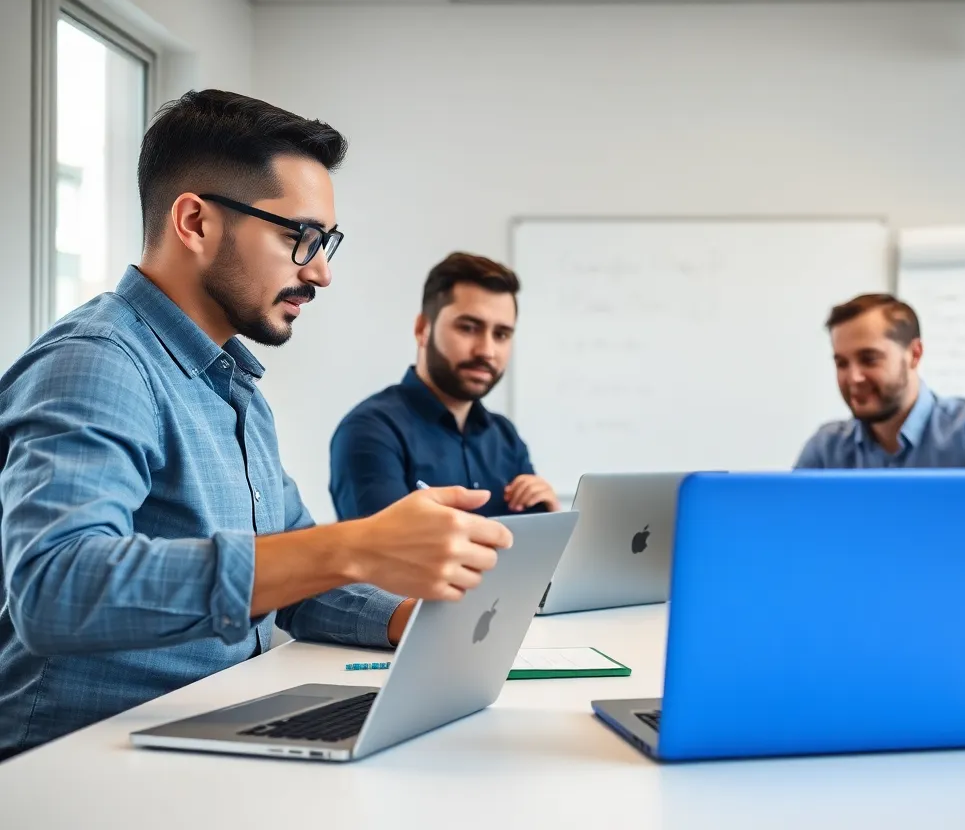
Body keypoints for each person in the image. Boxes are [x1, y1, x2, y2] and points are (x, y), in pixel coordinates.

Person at [0, 90, 511, 760]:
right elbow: (56, 588)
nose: (320, 272)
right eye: (300, 237)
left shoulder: (233, 385)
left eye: (326, 243)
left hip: (205, 732)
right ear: (196, 222)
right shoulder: (98, 363)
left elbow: (290, 567)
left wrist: (404, 618)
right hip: (77, 762)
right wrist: (351, 546)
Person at [329, 253, 558, 521]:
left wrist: (552, 518)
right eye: (469, 328)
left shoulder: (505, 437)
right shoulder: (372, 430)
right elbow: (383, 545)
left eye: (501, 334)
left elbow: (536, 544)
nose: (487, 350)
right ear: (422, 329)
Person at [794, 293, 965, 469]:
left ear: (914, 354)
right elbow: (788, 517)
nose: (854, 377)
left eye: (869, 359)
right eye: (842, 363)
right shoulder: (826, 449)